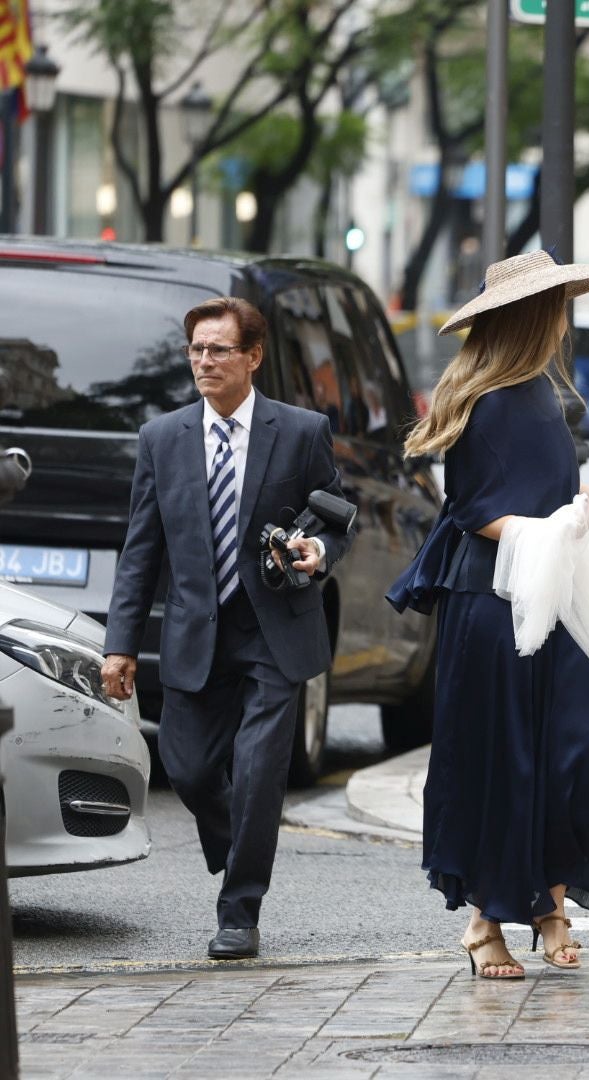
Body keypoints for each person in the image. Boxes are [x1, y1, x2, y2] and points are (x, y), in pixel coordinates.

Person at [386, 252, 589, 981]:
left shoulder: (545, 396)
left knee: (572, 750)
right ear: (532, 316)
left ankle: (550, 901)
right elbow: (476, 513)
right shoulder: (485, 401)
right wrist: (554, 527)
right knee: (505, 758)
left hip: (560, 594)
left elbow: (553, 490)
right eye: (555, 304)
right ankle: (488, 919)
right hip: (494, 603)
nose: (563, 318)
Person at [99, 297, 354, 960]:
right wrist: (119, 645)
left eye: (217, 350)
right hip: (195, 634)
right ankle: (234, 838)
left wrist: (319, 551)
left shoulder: (299, 431)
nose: (203, 362)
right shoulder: (163, 438)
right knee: (185, 770)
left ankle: (240, 910)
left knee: (261, 770)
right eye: (196, 350)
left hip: (274, 630)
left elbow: (335, 514)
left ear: (252, 356)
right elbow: (141, 550)